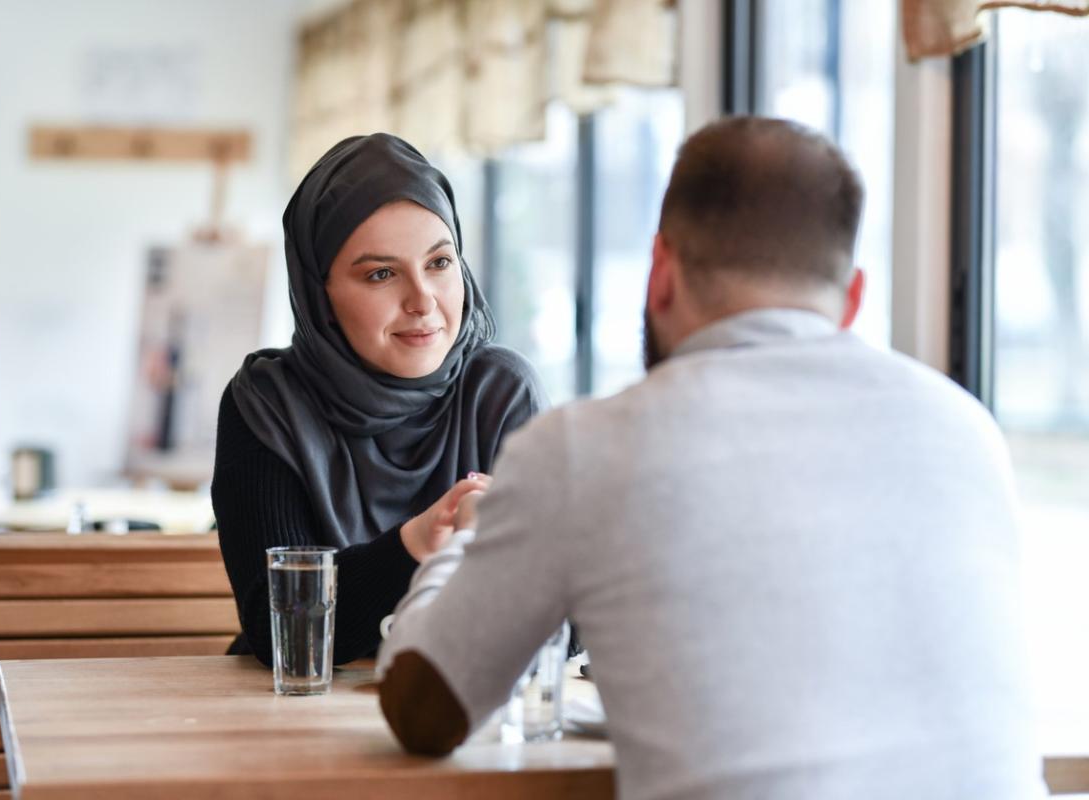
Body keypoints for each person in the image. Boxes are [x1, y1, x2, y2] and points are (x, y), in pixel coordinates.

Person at [376, 117, 1042, 799]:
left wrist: (467, 536)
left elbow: (424, 711)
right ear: (853, 298)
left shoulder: (589, 448)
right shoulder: (966, 429)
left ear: (660, 270)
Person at [212, 133, 545, 665]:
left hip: (461, 715)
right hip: (290, 715)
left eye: (439, 263)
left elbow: (562, 614)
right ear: (319, 295)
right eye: (381, 274)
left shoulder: (499, 392)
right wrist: (417, 542)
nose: (422, 301)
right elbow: (279, 631)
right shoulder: (268, 405)